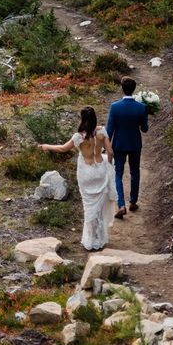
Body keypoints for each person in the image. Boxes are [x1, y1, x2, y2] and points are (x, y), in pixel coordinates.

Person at [39, 105, 116, 250]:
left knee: (88, 206)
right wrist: (109, 166)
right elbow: (110, 151)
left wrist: (46, 146)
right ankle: (99, 238)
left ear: (82, 119)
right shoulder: (101, 131)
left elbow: (62, 148)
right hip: (100, 170)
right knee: (98, 207)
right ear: (94, 117)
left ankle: (90, 241)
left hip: (86, 173)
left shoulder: (79, 136)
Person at [106, 76, 148, 218]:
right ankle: (133, 201)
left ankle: (121, 205)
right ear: (134, 90)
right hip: (135, 143)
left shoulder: (115, 107)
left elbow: (110, 130)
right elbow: (145, 129)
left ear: (122, 89)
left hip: (119, 144)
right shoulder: (141, 108)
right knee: (135, 172)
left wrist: (106, 147)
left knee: (118, 173)